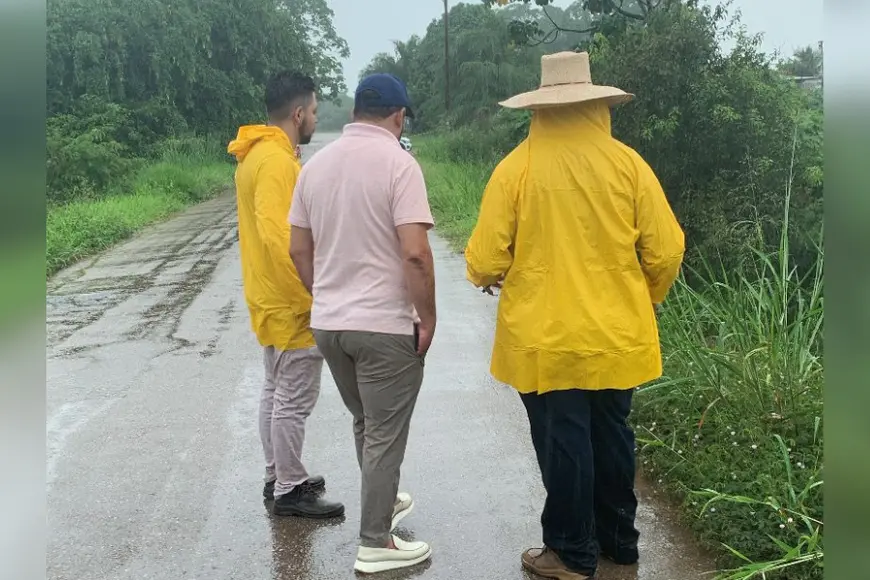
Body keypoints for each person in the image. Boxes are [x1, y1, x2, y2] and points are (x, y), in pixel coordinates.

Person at [465, 51, 685, 580]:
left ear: (539, 109)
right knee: (612, 436)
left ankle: (570, 552)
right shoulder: (629, 165)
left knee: (564, 442)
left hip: (546, 337)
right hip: (617, 333)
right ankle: (619, 544)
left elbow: (485, 259)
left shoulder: (515, 168)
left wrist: (489, 275)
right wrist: (645, 297)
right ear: (596, 104)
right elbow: (667, 250)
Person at [289, 73, 435, 574]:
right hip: (383, 328)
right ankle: (375, 541)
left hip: (330, 325)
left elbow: (297, 249)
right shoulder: (400, 164)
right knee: (384, 432)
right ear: (399, 116)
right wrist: (429, 317)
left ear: (356, 112)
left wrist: (326, 297)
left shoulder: (315, 167)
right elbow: (415, 254)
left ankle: (383, 502)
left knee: (366, 422)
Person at [227, 70, 344, 519]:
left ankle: (279, 474)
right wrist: (313, 293)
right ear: (298, 113)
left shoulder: (256, 156)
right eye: (314, 111)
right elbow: (282, 241)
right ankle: (290, 490)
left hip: (268, 295)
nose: (315, 118)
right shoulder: (276, 163)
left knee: (275, 391)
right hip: (289, 301)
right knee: (292, 398)